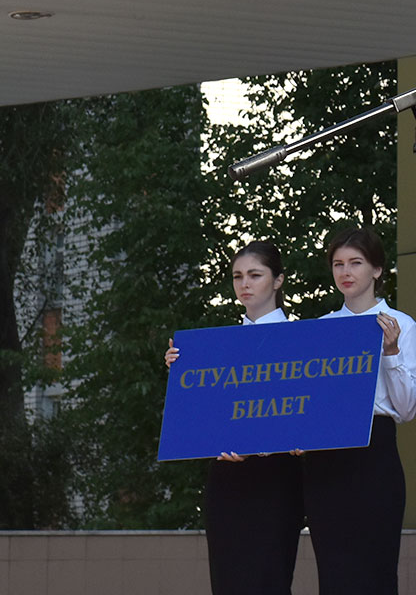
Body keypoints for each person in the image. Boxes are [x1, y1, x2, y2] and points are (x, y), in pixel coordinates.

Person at [166, 241, 304, 595]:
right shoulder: (215, 347)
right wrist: (181, 373)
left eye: (255, 275)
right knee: (228, 582)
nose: (244, 284)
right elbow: (202, 418)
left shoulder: (303, 341)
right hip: (227, 479)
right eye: (237, 276)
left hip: (276, 478)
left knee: (270, 581)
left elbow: (303, 414)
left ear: (278, 280)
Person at [302, 225, 416, 595]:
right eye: (338, 264)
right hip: (326, 457)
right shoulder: (319, 330)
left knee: (376, 570)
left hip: (375, 453)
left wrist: (391, 353)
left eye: (355, 262)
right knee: (334, 573)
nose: (345, 272)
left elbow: (408, 410)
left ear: (377, 269)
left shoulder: (401, 325)